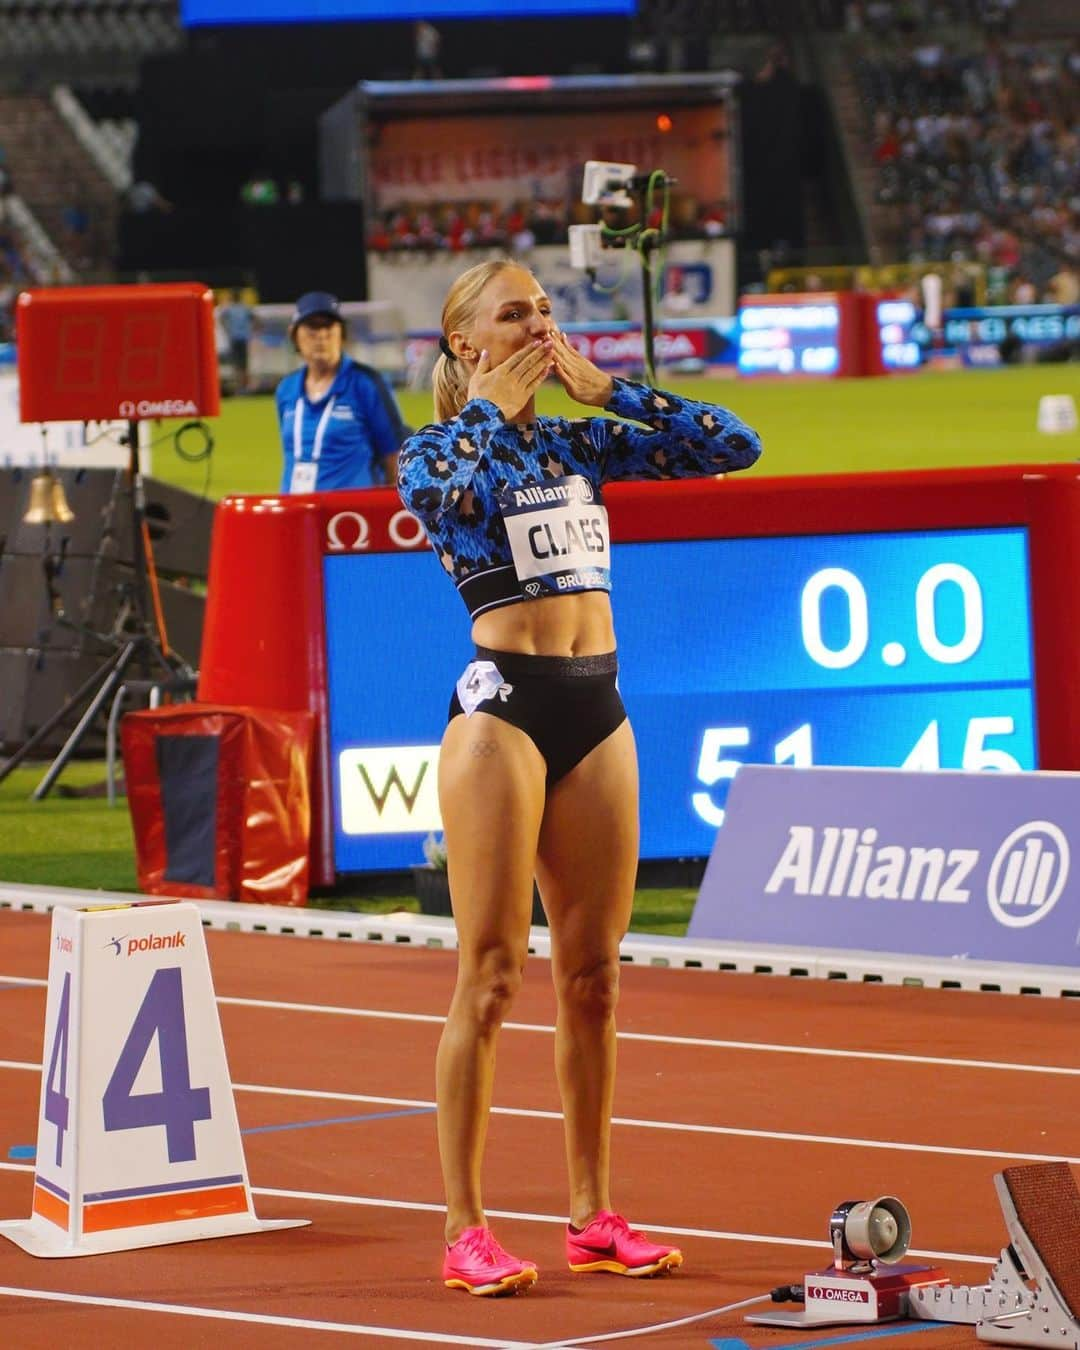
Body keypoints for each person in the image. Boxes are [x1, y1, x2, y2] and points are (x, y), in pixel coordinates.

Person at [396, 259, 762, 1297]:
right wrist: (493, 407)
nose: (541, 325)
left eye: (548, 311)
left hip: (599, 707)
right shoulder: (435, 450)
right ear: (466, 341)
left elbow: (734, 444)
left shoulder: (577, 444)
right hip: (501, 713)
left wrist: (613, 392)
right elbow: (441, 489)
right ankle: (466, 1227)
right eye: (516, 314)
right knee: (493, 974)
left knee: (594, 980)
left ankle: (593, 1215)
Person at [275, 291, 406, 492]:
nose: (321, 335)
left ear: (342, 334)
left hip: (349, 515)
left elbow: (393, 455)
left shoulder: (366, 384)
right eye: (312, 326)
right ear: (295, 334)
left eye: (328, 326)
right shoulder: (286, 389)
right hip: (297, 511)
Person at [218, 288, 255, 394]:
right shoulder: (244, 308)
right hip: (243, 337)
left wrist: (227, 329)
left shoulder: (230, 308)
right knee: (244, 364)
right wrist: (252, 330)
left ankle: (239, 387)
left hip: (235, 338)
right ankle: (244, 387)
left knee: (237, 364)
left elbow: (221, 318)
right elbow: (255, 319)